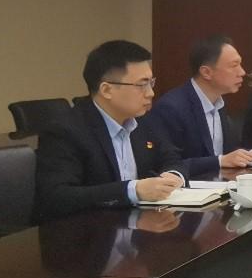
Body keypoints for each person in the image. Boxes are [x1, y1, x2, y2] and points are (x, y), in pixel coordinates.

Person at [34, 40, 186, 222]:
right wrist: (132, 191)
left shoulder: (143, 121)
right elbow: (57, 197)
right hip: (87, 231)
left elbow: (171, 157)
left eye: (151, 83)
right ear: (106, 90)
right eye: (142, 85)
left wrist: (172, 176)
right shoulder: (65, 130)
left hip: (139, 225)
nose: (151, 93)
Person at [143, 35, 252, 178]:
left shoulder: (218, 103)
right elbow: (168, 165)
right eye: (234, 66)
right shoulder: (171, 108)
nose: (242, 72)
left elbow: (226, 154)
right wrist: (219, 161)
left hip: (219, 184)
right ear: (206, 72)